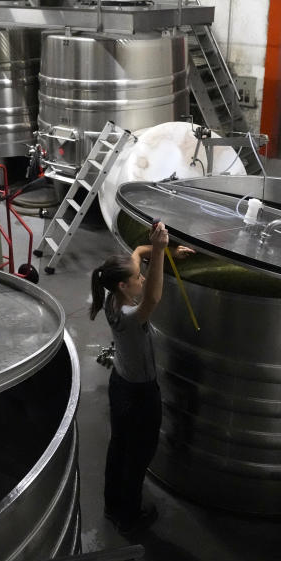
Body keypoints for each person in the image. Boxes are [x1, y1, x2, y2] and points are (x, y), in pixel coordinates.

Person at [89, 222, 193, 536]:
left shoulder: (110, 299)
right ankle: (129, 516)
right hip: (139, 393)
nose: (142, 277)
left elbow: (136, 252)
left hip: (120, 383)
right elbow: (153, 298)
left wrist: (169, 251)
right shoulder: (130, 317)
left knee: (119, 446)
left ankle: (111, 505)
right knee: (139, 455)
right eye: (137, 277)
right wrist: (160, 251)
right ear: (123, 286)